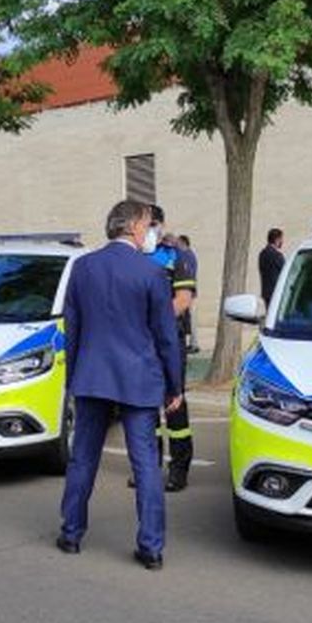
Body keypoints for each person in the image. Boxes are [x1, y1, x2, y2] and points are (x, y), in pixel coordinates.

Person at [58, 199, 183, 570]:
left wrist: (72, 380)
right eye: (148, 226)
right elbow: (165, 336)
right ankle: (151, 547)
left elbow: (73, 329)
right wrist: (174, 386)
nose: (151, 234)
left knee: (83, 458)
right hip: (139, 379)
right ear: (132, 227)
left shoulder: (82, 268)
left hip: (92, 376)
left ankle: (71, 533)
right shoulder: (151, 273)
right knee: (146, 463)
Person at [147, 204, 198, 491]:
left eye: (154, 223)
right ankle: (148, 465)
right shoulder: (135, 255)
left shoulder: (178, 254)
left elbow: (182, 300)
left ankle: (179, 469)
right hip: (140, 341)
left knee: (174, 404)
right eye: (146, 223)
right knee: (145, 405)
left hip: (168, 339)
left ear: (162, 224)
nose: (150, 229)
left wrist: (153, 321)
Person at [258, 228, 286, 306]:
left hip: (266, 294)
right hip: (277, 293)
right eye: (281, 239)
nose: (282, 242)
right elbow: (285, 272)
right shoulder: (277, 255)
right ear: (277, 240)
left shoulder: (262, 254)